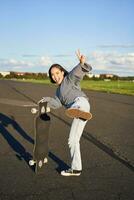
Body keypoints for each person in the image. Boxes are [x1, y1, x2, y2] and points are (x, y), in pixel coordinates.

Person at [39, 50, 92, 176]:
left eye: (57, 73)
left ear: (62, 72)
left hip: (81, 103)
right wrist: (45, 101)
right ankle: (76, 169)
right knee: (72, 140)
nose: (55, 76)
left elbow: (77, 73)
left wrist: (82, 63)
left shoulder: (69, 79)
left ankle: (77, 110)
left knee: (77, 105)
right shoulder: (58, 93)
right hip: (80, 111)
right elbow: (56, 104)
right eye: (52, 75)